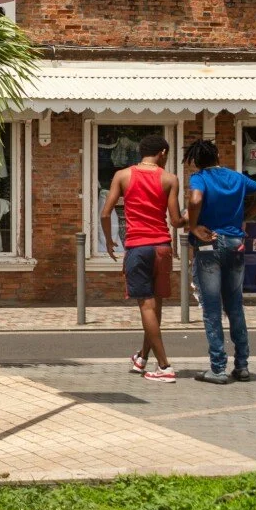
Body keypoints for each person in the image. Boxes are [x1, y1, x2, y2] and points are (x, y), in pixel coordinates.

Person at [184, 138, 256, 384]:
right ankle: (242, 365)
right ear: (218, 156)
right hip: (235, 243)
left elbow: (195, 200)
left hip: (209, 243)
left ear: (196, 162)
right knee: (235, 306)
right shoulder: (237, 178)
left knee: (212, 308)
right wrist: (246, 215)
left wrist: (194, 226)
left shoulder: (199, 178)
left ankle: (218, 368)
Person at [100, 134, 187, 383]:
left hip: (138, 247)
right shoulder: (170, 179)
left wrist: (109, 240)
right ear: (162, 153)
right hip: (162, 247)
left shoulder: (123, 176)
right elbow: (175, 221)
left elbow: (105, 214)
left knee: (147, 308)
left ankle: (165, 366)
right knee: (155, 308)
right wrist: (191, 217)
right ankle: (142, 358)